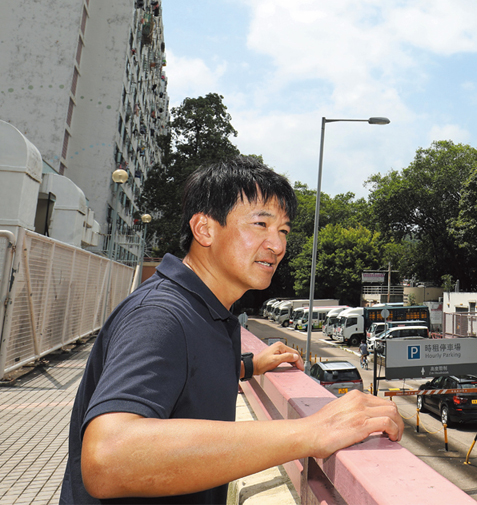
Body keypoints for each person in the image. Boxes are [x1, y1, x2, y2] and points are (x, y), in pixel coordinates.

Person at [60, 156, 403, 504]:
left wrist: (248, 365)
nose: (278, 245)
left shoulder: (211, 312)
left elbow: (184, 373)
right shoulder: (161, 316)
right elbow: (107, 458)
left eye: (283, 230)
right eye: (260, 224)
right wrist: (311, 431)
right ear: (205, 229)